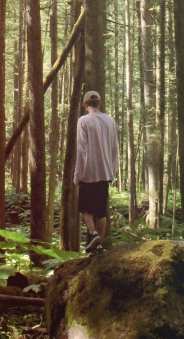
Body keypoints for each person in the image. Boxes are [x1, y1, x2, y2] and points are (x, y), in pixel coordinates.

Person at [73, 90, 119, 253]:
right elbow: (115, 148)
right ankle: (99, 244)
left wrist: (77, 175)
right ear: (99, 103)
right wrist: (112, 170)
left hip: (88, 173)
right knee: (101, 212)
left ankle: (93, 235)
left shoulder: (84, 121)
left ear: (85, 105)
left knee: (86, 210)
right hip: (104, 173)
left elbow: (82, 149)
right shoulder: (110, 120)